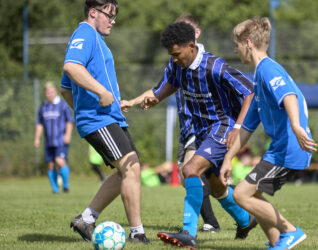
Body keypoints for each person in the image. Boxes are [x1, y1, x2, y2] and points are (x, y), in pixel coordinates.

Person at [124, 21, 256, 249]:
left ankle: (188, 233)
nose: (174, 59)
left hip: (222, 126)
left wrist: (238, 128)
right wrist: (156, 98)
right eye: (171, 55)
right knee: (215, 187)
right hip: (201, 129)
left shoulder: (215, 67)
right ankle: (246, 220)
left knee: (189, 170)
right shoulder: (178, 65)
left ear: (191, 46)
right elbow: (172, 84)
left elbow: (250, 90)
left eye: (177, 54)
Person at [220, 17, 318, 250]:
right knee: (251, 195)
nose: (235, 49)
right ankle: (277, 242)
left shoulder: (267, 69)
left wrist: (296, 126)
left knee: (241, 195)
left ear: (249, 43)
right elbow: (246, 129)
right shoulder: (259, 79)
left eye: (237, 43)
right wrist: (227, 159)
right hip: (281, 148)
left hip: (289, 147)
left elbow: (289, 96)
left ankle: (290, 231)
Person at [60, 0, 149, 244]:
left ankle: (86, 220)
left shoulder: (96, 40)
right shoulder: (85, 34)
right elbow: (71, 67)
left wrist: (107, 99)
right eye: (110, 14)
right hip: (99, 119)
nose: (113, 20)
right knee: (131, 167)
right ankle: (137, 233)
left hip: (107, 116)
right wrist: (100, 94)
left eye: (114, 15)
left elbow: (66, 89)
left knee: (126, 172)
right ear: (93, 12)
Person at [122, 14, 221, 233]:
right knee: (210, 184)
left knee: (190, 171)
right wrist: (134, 100)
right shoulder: (176, 61)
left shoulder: (208, 63)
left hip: (204, 127)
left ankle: (198, 228)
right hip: (186, 128)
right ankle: (242, 217)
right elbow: (159, 90)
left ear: (196, 34)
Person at [34, 82, 73, 194]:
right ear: (45, 94)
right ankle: (55, 189)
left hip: (60, 140)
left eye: (51, 92)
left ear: (55, 91)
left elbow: (69, 121)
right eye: (47, 92)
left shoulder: (63, 105)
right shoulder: (43, 107)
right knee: (51, 165)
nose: (49, 94)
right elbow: (39, 124)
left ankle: (65, 186)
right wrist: (37, 138)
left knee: (59, 161)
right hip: (48, 141)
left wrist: (68, 135)